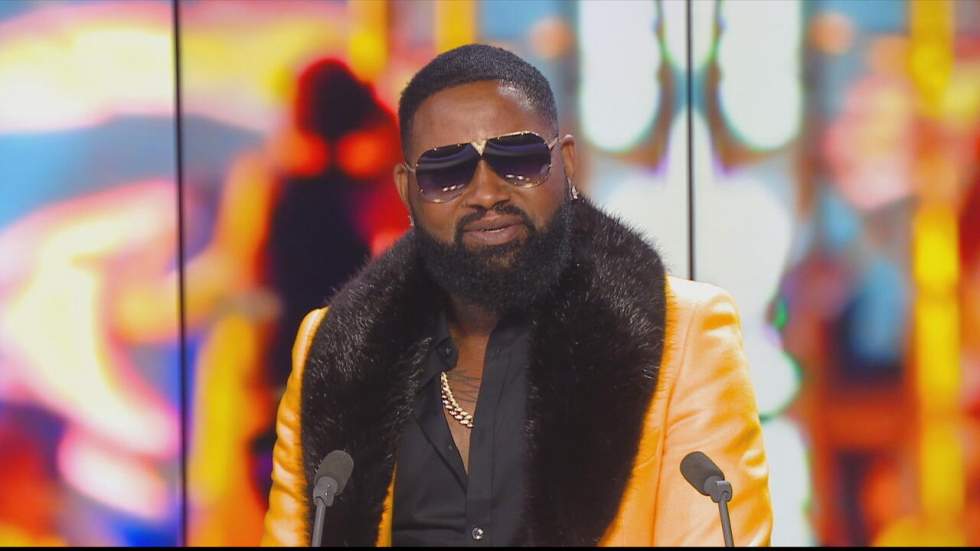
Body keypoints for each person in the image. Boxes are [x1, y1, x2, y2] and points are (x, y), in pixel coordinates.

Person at [261, 44, 772, 546]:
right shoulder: (335, 353)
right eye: (447, 171)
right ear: (408, 191)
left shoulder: (683, 337)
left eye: (519, 160)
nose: (487, 193)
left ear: (565, 164)